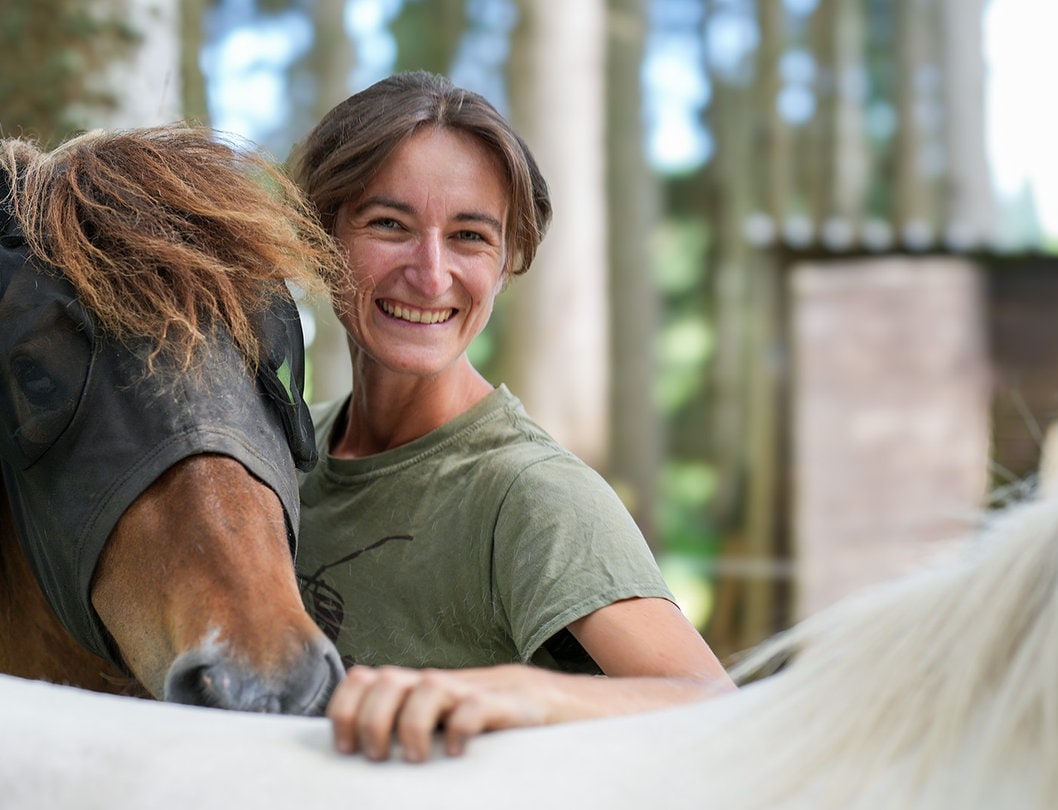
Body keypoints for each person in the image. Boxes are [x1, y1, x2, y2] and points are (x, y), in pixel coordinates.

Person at [288, 71, 735, 763]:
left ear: (506, 265)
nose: (431, 274)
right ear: (322, 236)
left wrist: (531, 694)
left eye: (469, 237)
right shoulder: (279, 456)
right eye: (389, 225)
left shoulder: (530, 493)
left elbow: (713, 708)